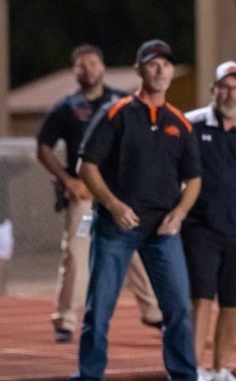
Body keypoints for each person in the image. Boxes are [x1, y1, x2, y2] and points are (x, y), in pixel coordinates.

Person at [67, 39, 213, 381]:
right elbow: (87, 166)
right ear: (139, 70)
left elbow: (193, 179)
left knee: (178, 307)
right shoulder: (116, 113)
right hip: (117, 226)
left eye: (166, 63)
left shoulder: (179, 122)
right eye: (152, 63)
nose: (160, 69)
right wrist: (113, 205)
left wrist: (178, 215)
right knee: (100, 308)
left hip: (162, 231)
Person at [36, 44, 161, 344]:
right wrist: (68, 181)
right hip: (84, 196)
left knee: (135, 252)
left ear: (102, 67)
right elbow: (44, 148)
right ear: (75, 71)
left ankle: (155, 312)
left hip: (118, 195)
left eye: (92, 63)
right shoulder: (65, 108)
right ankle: (65, 320)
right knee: (77, 257)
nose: (88, 69)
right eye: (81, 65)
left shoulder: (122, 102)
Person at [183, 61, 236, 381]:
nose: (230, 93)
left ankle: (220, 370)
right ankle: (192, 370)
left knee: (233, 302)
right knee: (201, 299)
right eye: (224, 87)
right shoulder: (191, 125)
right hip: (199, 227)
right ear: (213, 89)